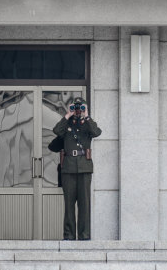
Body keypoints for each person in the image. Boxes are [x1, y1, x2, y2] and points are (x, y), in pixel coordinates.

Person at [52, 96, 102, 240]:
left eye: (80, 108)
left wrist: (86, 116)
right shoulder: (67, 126)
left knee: (84, 204)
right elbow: (56, 130)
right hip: (68, 169)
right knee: (69, 204)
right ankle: (68, 235)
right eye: (76, 108)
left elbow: (96, 132)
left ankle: (84, 235)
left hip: (84, 169)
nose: (78, 110)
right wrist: (67, 114)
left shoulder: (87, 126)